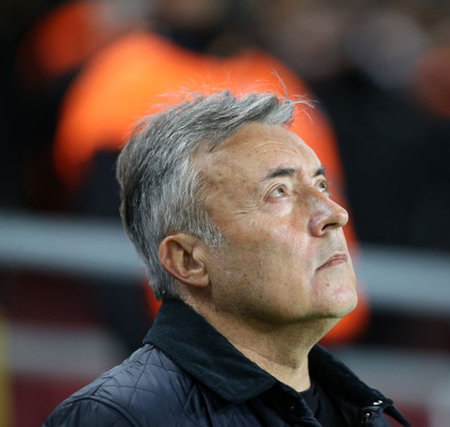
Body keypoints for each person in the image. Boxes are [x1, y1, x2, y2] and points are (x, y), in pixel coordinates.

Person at [44, 90, 409, 427]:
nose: (335, 213)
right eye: (279, 192)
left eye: (321, 185)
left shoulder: (361, 414)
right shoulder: (119, 418)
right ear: (188, 261)